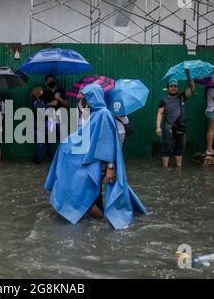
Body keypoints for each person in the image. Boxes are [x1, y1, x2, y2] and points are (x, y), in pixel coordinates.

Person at [45, 84, 146, 229]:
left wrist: (111, 167)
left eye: (87, 97)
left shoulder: (103, 114)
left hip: (99, 165)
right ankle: (99, 223)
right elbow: (83, 137)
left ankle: (102, 224)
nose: (85, 100)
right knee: (92, 194)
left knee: (83, 196)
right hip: (92, 163)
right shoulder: (95, 114)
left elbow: (107, 144)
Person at [156, 69, 195, 168]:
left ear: (178, 88)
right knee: (166, 149)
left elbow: (192, 87)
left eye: (175, 86)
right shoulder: (163, 100)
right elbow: (160, 113)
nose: (173, 88)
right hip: (168, 128)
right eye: (171, 86)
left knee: (179, 150)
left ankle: (178, 169)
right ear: (168, 88)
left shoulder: (182, 97)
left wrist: (188, 75)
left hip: (181, 128)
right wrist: (158, 127)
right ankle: (165, 169)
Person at [42, 75, 69, 160]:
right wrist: (50, 104)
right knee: (51, 140)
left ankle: (63, 158)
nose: (51, 81)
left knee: (63, 139)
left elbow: (67, 104)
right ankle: (52, 159)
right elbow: (41, 106)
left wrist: (59, 98)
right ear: (46, 82)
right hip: (49, 119)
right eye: (49, 80)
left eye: (52, 80)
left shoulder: (61, 91)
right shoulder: (44, 93)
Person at [31, 87, 46, 164]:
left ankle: (36, 158)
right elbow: (42, 110)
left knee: (39, 142)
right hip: (38, 124)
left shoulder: (38, 100)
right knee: (40, 142)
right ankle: (38, 160)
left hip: (38, 124)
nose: (42, 92)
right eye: (40, 91)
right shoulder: (36, 101)